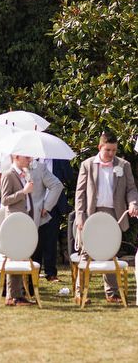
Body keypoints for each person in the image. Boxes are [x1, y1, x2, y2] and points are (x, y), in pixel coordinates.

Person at [74, 130, 138, 304]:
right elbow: (80, 193)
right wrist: (80, 216)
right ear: (99, 147)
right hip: (92, 213)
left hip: (114, 213)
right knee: (87, 252)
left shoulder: (124, 165)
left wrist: (133, 203)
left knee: (111, 252)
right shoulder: (87, 164)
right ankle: (80, 293)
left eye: (114, 150)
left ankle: (112, 293)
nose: (111, 154)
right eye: (108, 150)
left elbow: (131, 189)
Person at [0, 154, 62, 305]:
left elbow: (55, 186)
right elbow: (5, 199)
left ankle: (16, 295)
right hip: (15, 221)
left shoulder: (25, 173)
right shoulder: (8, 174)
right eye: (26, 157)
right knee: (15, 257)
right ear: (16, 157)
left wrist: (42, 207)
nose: (30, 160)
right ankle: (14, 296)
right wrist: (24, 192)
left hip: (26, 220)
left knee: (21, 257)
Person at [34, 157, 73, 281]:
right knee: (35, 239)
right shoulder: (32, 160)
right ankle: (35, 270)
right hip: (35, 205)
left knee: (51, 239)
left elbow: (69, 177)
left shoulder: (60, 159)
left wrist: (63, 164)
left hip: (53, 205)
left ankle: (51, 273)